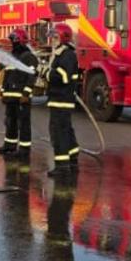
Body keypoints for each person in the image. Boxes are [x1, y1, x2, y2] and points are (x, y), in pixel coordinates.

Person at [0, 28, 38, 159]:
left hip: (21, 98)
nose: (12, 43)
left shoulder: (29, 57)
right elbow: (6, 76)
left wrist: (26, 93)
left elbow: (32, 76)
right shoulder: (11, 57)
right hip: (10, 96)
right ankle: (9, 146)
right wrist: (3, 92)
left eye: (13, 40)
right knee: (10, 122)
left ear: (19, 41)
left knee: (23, 124)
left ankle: (24, 150)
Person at [44, 22, 79, 177]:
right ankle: (72, 158)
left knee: (58, 133)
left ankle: (62, 166)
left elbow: (64, 77)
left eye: (55, 36)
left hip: (61, 99)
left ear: (63, 37)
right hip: (59, 99)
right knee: (65, 130)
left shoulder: (67, 54)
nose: (52, 40)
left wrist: (45, 72)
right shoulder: (61, 52)